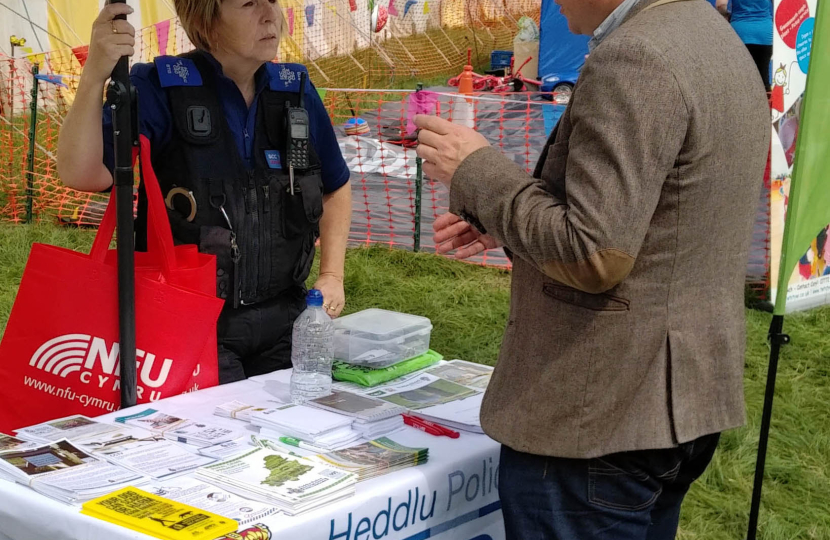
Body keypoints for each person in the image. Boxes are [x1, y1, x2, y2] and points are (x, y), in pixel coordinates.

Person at [414, 0, 769, 537]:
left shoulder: (637, 55)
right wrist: (508, 221)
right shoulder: (709, 33)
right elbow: (660, 219)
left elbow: (593, 252)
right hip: (675, 399)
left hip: (598, 415)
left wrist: (477, 171)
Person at [57, 0, 352, 384]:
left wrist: (331, 273)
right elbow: (80, 173)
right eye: (249, 3)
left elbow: (335, 185)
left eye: (273, 1)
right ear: (207, 22)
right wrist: (95, 75)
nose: (270, 15)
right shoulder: (161, 88)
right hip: (191, 325)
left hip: (287, 319)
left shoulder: (295, 91)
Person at [717, 0, 774, 89]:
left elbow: (720, 5)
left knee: (739, 79)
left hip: (739, 33)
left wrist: (728, 15)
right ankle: (765, 100)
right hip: (764, 33)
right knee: (763, 78)